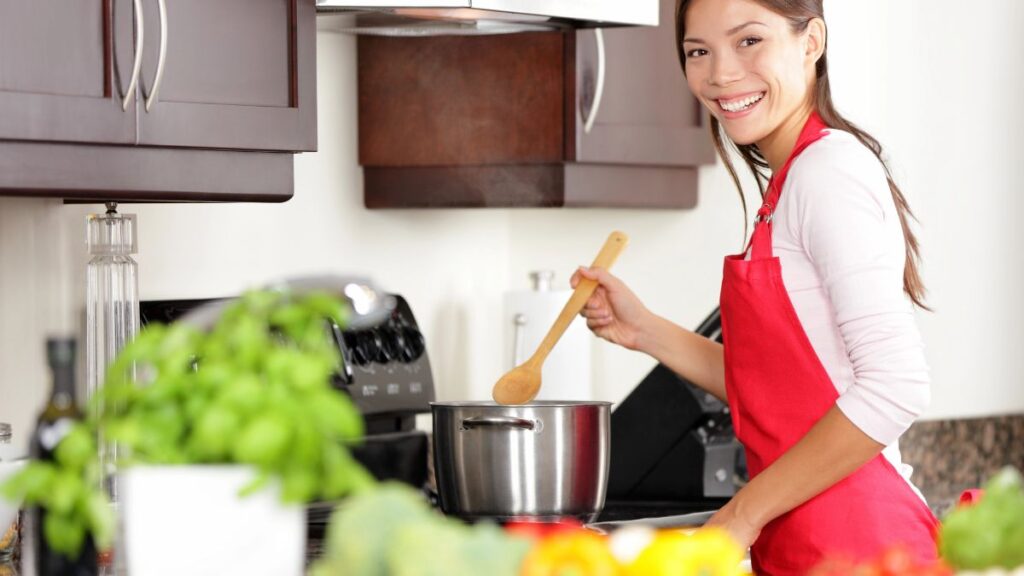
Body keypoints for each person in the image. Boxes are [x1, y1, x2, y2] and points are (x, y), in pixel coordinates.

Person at [571, 0, 938, 573]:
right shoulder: (790, 184)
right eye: (699, 52)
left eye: (748, 41)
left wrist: (740, 516)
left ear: (811, 41)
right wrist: (644, 329)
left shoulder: (827, 173)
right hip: (811, 543)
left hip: (860, 545)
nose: (719, 74)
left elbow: (896, 386)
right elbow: (778, 389)